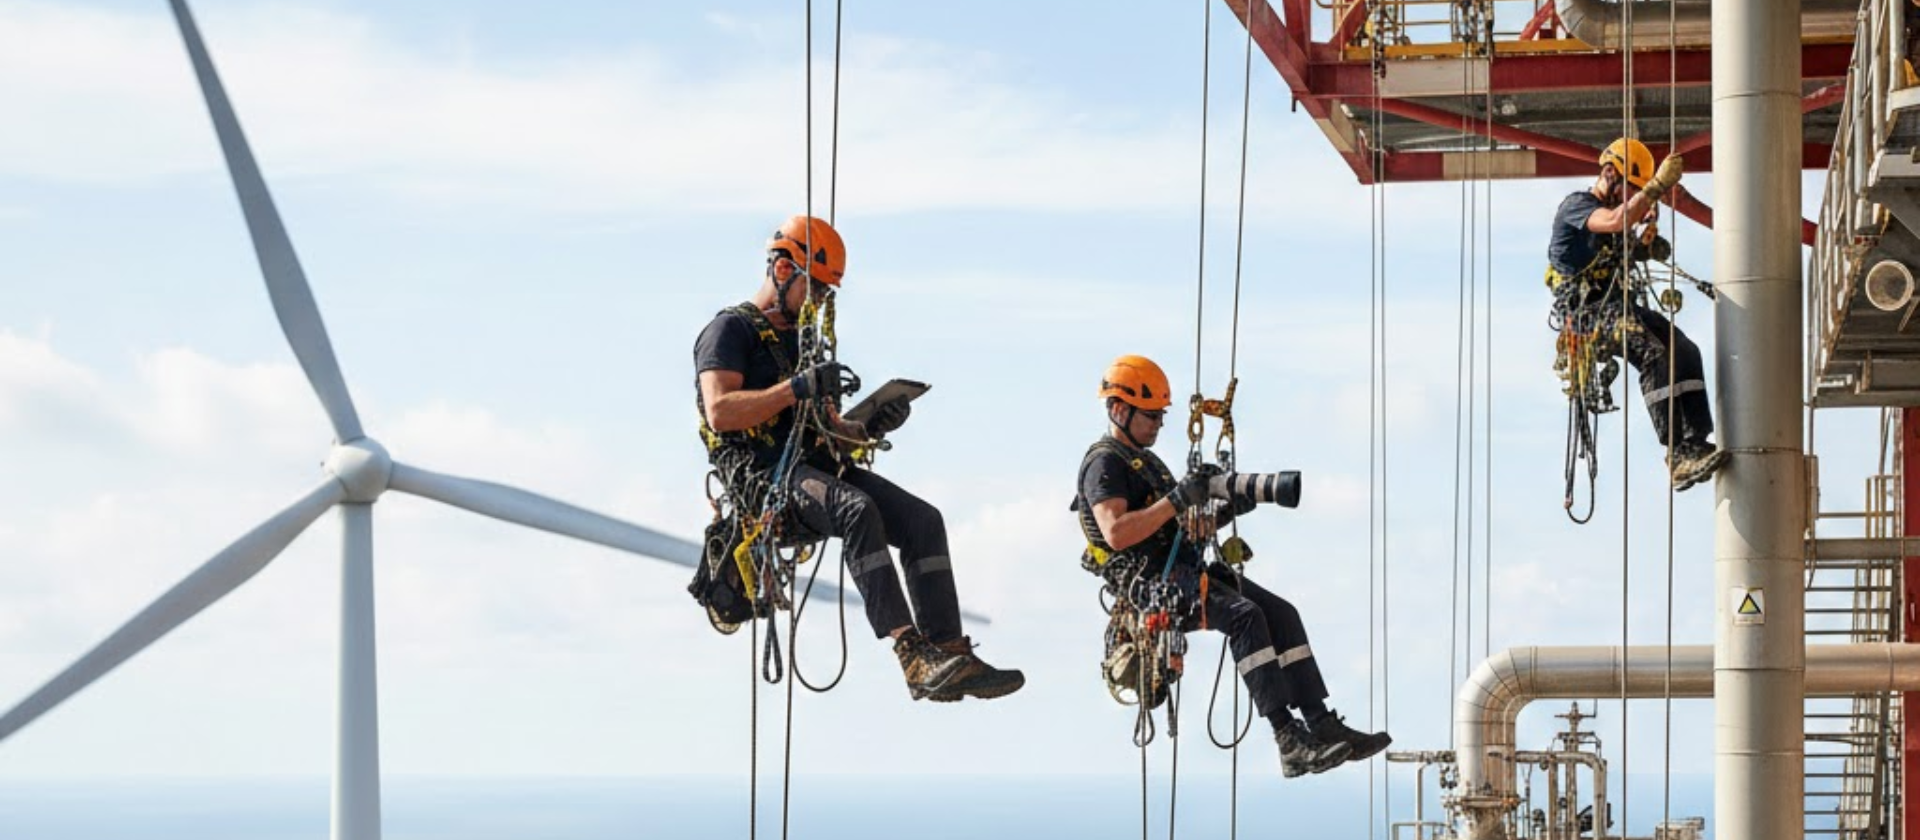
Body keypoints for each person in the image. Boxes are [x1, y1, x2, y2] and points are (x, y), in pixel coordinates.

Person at [694, 215, 1023, 702]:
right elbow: (721, 411)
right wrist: (796, 387)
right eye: (816, 289)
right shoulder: (729, 331)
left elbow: (831, 435)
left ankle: (948, 650)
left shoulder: (802, 343)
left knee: (922, 521)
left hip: (816, 471)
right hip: (767, 481)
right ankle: (911, 653)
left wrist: (872, 425)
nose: (819, 302)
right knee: (856, 509)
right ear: (783, 271)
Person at [1071, 354, 1390, 778]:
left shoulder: (1148, 464)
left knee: (1281, 614)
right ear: (1118, 410)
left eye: (1161, 415)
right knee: (1245, 617)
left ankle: (1320, 722)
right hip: (1153, 587)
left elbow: (1176, 528)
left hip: (1182, 573)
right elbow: (1116, 533)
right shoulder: (1104, 464)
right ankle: (1288, 739)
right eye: (1151, 415)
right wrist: (1178, 499)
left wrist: (1223, 511)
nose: (1159, 424)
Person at [1548, 138, 1725, 491]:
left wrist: (1645, 246)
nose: (1633, 197)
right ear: (1610, 174)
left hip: (1618, 308)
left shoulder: (1616, 221)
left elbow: (1623, 244)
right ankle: (1676, 452)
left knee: (1684, 348)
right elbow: (1615, 221)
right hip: (1589, 315)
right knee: (1653, 352)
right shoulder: (1577, 207)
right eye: (1631, 188)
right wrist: (1656, 187)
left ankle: (1694, 441)